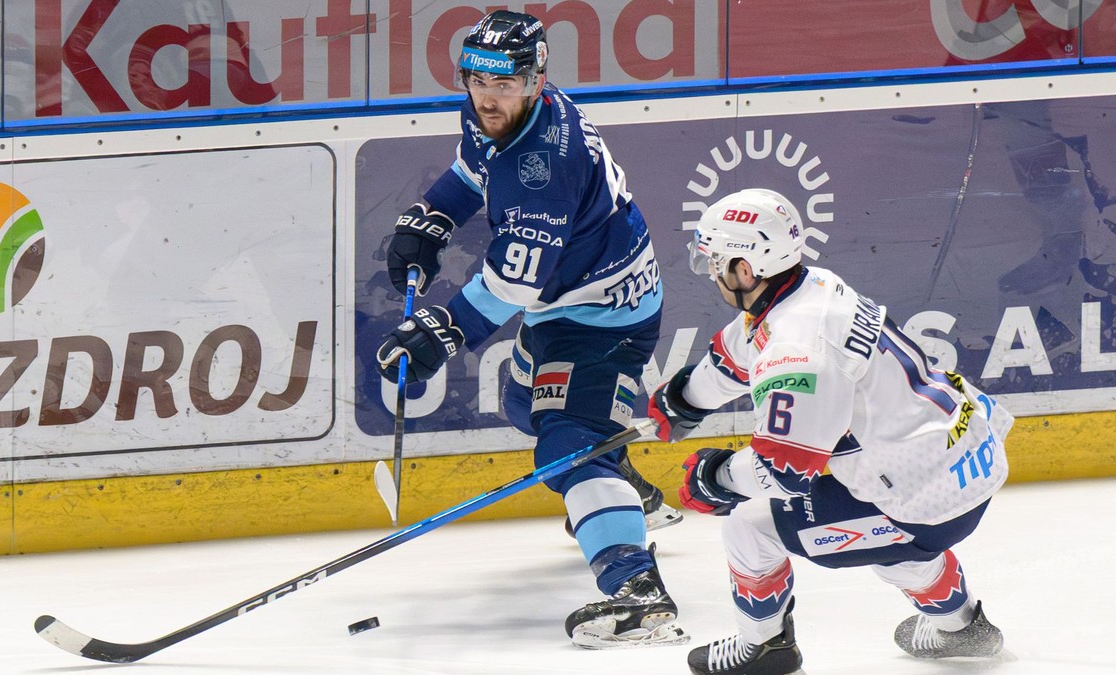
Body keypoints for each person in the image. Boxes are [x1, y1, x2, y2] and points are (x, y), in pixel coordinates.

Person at [375, 10, 686, 649]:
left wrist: (445, 330)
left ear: (535, 81)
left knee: (565, 444)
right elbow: (474, 168)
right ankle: (618, 484)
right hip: (565, 300)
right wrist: (433, 216)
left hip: (604, 316)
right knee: (524, 404)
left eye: (504, 84)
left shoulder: (543, 167)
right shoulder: (503, 113)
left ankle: (637, 589)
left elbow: (513, 286)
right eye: (476, 80)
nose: (487, 98)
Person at [648, 188, 1011, 674]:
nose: (712, 274)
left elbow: (782, 472)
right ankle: (962, 629)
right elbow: (748, 342)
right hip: (965, 455)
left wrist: (716, 476)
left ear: (745, 269)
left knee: (749, 527)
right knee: (893, 547)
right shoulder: (813, 285)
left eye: (716, 263)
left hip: (926, 498)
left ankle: (765, 649)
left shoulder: (798, 350)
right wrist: (686, 397)